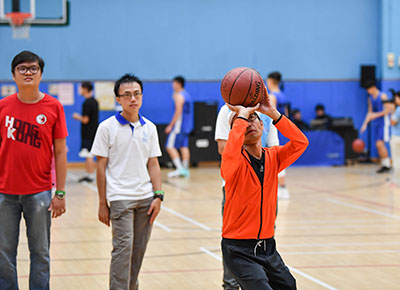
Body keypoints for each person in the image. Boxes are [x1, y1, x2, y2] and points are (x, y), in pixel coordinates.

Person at [220, 90, 308, 290]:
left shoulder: (274, 157)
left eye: (254, 119)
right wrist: (240, 116)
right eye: (242, 122)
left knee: (289, 286)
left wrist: (274, 114)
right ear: (235, 131)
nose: (248, 124)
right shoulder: (234, 162)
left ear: (263, 125)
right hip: (238, 248)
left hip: (267, 246)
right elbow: (229, 156)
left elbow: (301, 142)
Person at [0, 51, 68, 289]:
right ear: (13, 75)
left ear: (41, 74)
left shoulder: (54, 107)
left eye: (33, 68)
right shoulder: (2, 107)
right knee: (3, 253)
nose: (28, 72)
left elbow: (60, 152)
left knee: (40, 253)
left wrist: (60, 193)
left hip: (39, 192)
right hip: (4, 193)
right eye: (22, 68)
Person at [90, 74, 163, 290]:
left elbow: (153, 164)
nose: (133, 99)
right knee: (123, 252)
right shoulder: (106, 128)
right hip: (120, 199)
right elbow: (101, 167)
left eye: (137, 94)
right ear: (118, 99)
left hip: (146, 199)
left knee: (137, 253)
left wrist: (158, 195)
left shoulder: (149, 127)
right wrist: (103, 203)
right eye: (127, 95)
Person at [216, 104, 281, 289]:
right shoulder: (226, 111)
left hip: (265, 184)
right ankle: (231, 285)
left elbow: (274, 145)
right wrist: (242, 119)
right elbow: (224, 148)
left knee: (265, 237)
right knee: (236, 242)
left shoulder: (265, 112)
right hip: (237, 183)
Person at [266, 71, 291, 199]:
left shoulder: (272, 97)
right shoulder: (283, 96)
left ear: (270, 81)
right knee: (280, 159)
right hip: (283, 129)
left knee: (275, 159)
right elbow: (286, 115)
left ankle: (281, 188)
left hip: (275, 130)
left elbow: (272, 115)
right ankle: (282, 188)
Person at [360, 80, 391, 173]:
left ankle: (387, 164)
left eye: (368, 89)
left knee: (380, 144)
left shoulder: (383, 96)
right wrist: (364, 124)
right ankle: (384, 164)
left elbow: (387, 111)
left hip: (384, 122)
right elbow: (370, 112)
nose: (368, 91)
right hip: (376, 123)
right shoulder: (370, 98)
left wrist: (375, 115)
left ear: (373, 87)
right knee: (378, 145)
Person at [165, 76, 193, 178]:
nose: (172, 85)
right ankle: (185, 169)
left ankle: (179, 168)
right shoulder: (187, 95)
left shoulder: (179, 95)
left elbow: (178, 111)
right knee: (184, 146)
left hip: (179, 126)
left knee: (169, 146)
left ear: (178, 84)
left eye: (174, 83)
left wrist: (170, 125)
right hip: (187, 125)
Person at [73, 81, 99, 182]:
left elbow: (85, 119)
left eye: (81, 88)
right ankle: (89, 174)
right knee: (88, 154)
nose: (79, 90)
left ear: (85, 89)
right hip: (93, 132)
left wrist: (77, 117)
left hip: (88, 133)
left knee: (89, 154)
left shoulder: (87, 103)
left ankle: (90, 175)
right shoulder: (95, 101)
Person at [390, 92, 400, 185]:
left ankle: (397, 180)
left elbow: (393, 122)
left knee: (396, 159)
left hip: (397, 137)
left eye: (397, 98)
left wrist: (393, 111)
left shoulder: (398, 110)